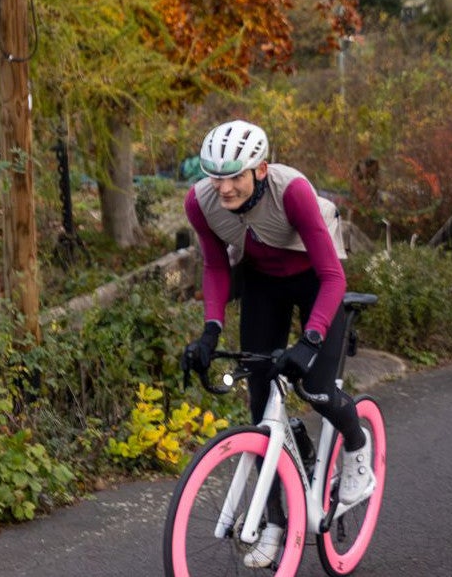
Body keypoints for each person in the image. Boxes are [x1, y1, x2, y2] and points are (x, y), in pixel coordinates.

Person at [179, 119, 373, 568]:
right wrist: (210, 331)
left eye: (234, 176)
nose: (224, 188)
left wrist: (311, 339)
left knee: (317, 388)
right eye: (215, 177)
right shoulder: (200, 203)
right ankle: (275, 522)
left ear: (260, 170)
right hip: (264, 283)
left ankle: (356, 443)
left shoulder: (293, 192)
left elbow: (333, 277)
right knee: (259, 402)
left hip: (315, 280)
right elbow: (215, 267)